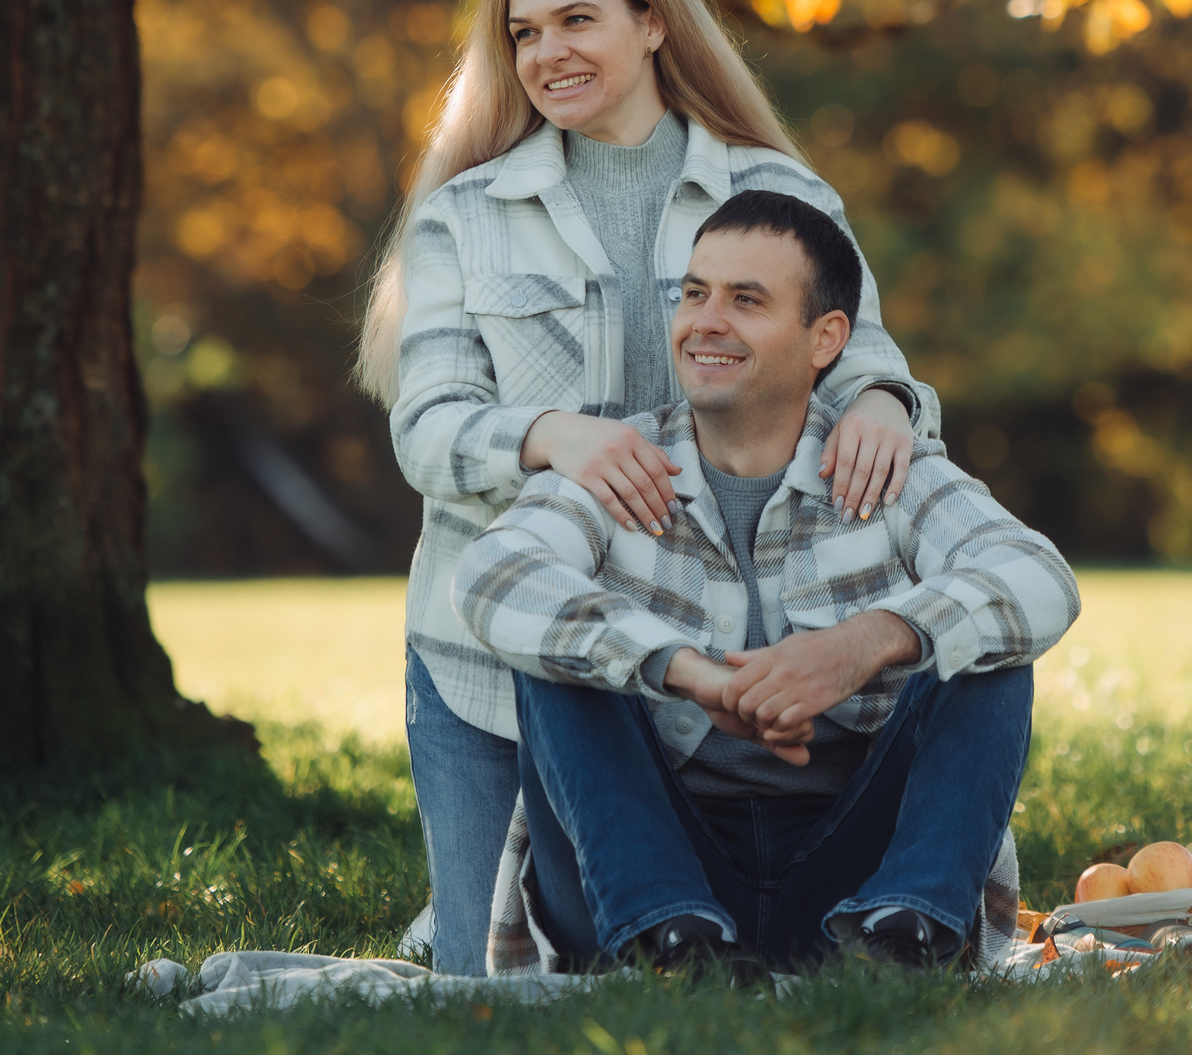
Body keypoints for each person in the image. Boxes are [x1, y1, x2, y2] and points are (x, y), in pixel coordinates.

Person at [358, 0, 941, 975]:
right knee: (483, 973)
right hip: (505, 659)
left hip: (732, 641)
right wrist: (549, 435)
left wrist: (887, 403)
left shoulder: (784, 192)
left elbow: (864, 356)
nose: (548, 54)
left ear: (653, 22)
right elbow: (428, 428)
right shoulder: (467, 216)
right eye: (525, 32)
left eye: (577, 20)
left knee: (749, 953)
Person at [453, 190, 1079, 975]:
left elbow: (1041, 578)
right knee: (564, 653)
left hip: (850, 876)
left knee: (985, 642)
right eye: (694, 294)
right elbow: (491, 577)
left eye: (746, 301)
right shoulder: (619, 464)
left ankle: (902, 937)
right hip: (650, 867)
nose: (706, 321)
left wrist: (867, 643)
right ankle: (671, 947)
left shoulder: (888, 465)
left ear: (827, 339)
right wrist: (688, 673)